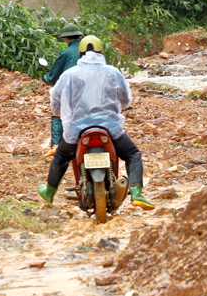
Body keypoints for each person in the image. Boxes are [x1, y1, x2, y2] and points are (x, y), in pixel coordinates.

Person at [38, 35, 154, 210]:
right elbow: (125, 99)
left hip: (76, 131)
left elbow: (55, 99)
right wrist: (121, 107)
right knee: (132, 154)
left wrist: (58, 115)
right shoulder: (114, 72)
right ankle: (137, 193)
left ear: (80, 52)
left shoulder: (69, 74)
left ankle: (49, 192)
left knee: (61, 156)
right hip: (110, 129)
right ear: (101, 51)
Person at [42, 23, 83, 155]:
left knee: (57, 116)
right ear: (79, 36)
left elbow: (54, 75)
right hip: (88, 93)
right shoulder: (88, 53)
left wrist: (46, 78)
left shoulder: (66, 52)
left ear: (66, 38)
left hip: (69, 92)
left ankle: (56, 146)